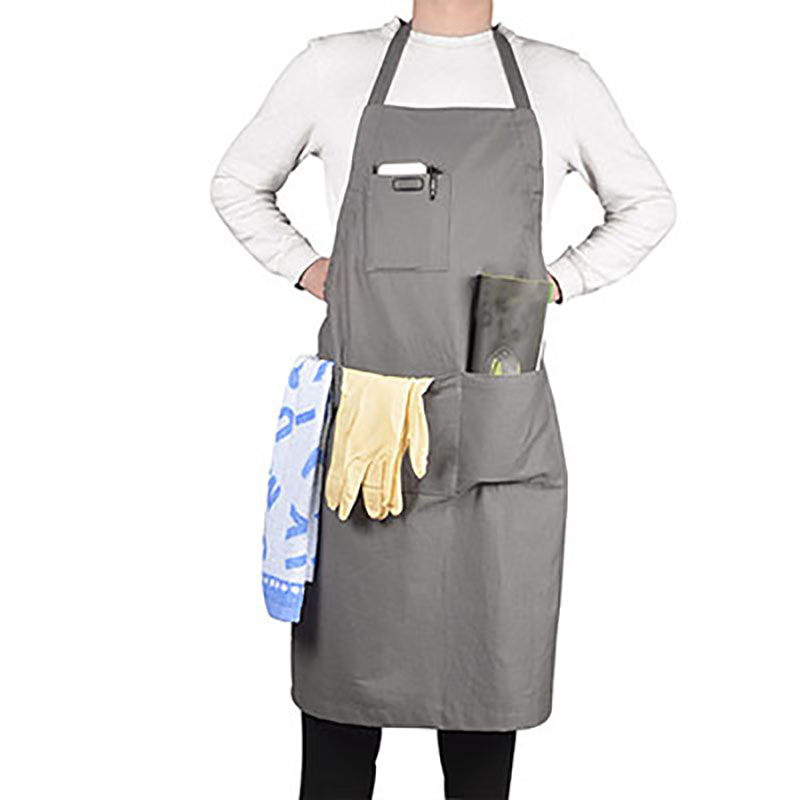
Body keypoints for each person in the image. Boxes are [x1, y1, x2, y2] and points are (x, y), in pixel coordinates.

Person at [210, 2, 676, 797]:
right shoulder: (334, 66)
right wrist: (309, 269)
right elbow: (236, 184)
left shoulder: (557, 78)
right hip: (365, 439)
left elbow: (648, 204)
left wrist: (558, 283)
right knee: (341, 716)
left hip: (497, 434)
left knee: (481, 703)